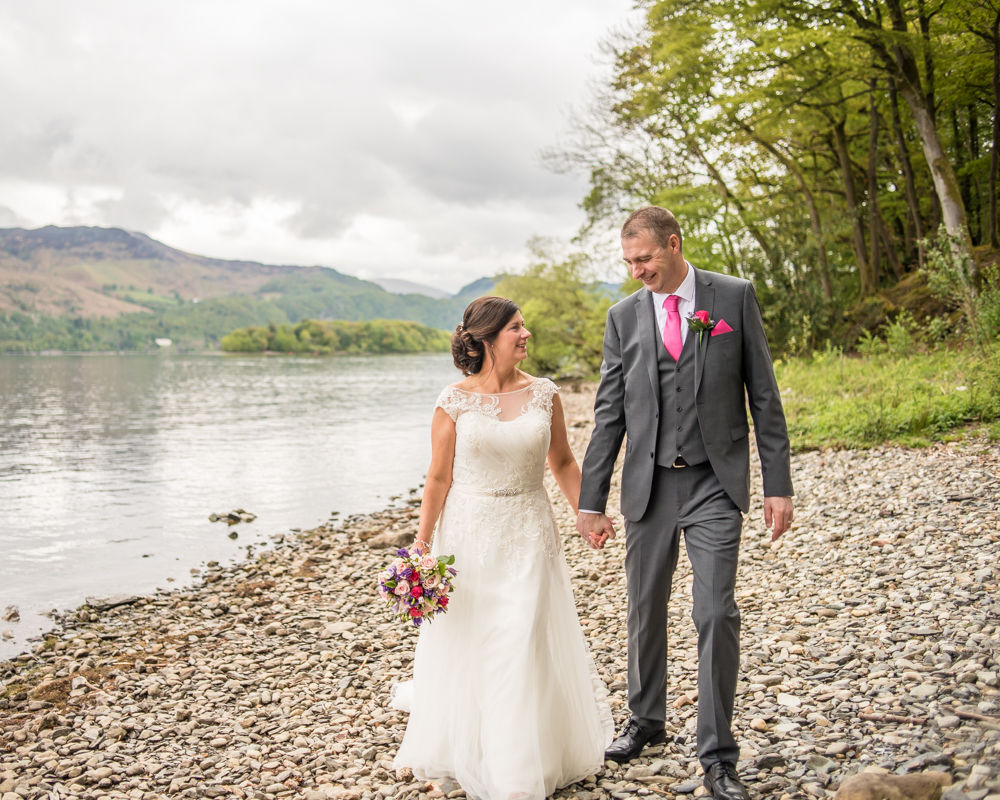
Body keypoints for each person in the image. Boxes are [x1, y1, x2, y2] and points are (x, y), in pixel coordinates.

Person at [576, 207, 793, 800]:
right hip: (648, 486)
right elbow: (609, 415)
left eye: (644, 258)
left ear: (673, 245)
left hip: (713, 484)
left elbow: (764, 397)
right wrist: (590, 500)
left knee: (716, 611)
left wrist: (778, 484)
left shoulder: (732, 297)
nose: (637, 270)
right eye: (628, 262)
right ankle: (645, 721)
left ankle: (718, 754)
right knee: (643, 609)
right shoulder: (623, 316)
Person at [392, 296, 613, 800]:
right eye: (516, 327)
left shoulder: (545, 394)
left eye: (524, 325)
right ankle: (473, 747)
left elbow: (561, 461)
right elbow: (438, 476)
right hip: (468, 536)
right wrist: (421, 547)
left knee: (521, 638)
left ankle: (518, 768)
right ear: (488, 339)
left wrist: (588, 513)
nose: (526, 333)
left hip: (529, 531)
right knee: (476, 641)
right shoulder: (453, 400)